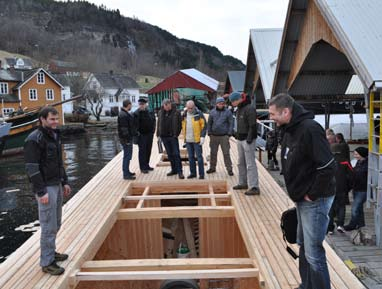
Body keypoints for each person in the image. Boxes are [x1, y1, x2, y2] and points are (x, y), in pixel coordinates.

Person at [269, 93, 336, 289]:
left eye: (273, 114)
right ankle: (306, 285)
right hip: (302, 197)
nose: (271, 118)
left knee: (314, 252)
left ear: (286, 111)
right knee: (304, 245)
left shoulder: (310, 129)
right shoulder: (289, 128)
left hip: (315, 199)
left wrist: (311, 195)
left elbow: (328, 167)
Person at [24, 106, 71, 275]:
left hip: (56, 183)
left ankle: (51, 252)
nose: (55, 122)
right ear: (42, 119)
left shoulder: (55, 135)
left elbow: (59, 162)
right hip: (45, 187)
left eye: (56, 119)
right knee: (48, 225)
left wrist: (64, 181)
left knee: (56, 223)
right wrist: (41, 191)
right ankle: (47, 262)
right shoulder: (34, 139)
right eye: (52, 119)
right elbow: (32, 169)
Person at [229, 91, 260, 196]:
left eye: (232, 101)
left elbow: (253, 125)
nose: (231, 104)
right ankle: (243, 182)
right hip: (240, 138)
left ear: (238, 99)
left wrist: (249, 139)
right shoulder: (239, 109)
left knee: (250, 164)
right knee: (240, 162)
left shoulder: (249, 108)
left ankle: (254, 186)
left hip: (248, 139)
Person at [157, 99, 184, 179]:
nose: (166, 108)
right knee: (170, 154)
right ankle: (174, 170)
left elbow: (180, 124)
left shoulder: (176, 112)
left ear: (170, 104)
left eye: (168, 106)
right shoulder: (160, 112)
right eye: (165, 106)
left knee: (176, 154)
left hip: (173, 137)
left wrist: (176, 134)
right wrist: (158, 134)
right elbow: (158, 124)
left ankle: (180, 172)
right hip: (164, 137)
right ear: (163, 105)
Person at [206, 96, 234, 176]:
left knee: (226, 153)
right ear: (216, 104)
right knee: (213, 153)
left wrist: (229, 133)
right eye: (219, 103)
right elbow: (209, 123)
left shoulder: (228, 112)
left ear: (224, 104)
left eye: (222, 103)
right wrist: (209, 133)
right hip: (214, 136)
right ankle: (212, 167)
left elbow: (231, 123)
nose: (221, 105)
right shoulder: (212, 112)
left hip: (224, 136)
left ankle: (229, 169)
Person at [344, 147, 368, 231]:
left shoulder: (368, 164)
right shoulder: (358, 162)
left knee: (355, 207)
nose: (354, 155)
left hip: (363, 189)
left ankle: (352, 224)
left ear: (362, 154)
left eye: (356, 154)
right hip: (356, 188)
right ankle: (361, 224)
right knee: (359, 207)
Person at [182, 100, 207, 179]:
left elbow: (204, 126)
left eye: (191, 108)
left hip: (197, 140)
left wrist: (202, 136)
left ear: (194, 106)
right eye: (188, 108)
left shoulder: (199, 114)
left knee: (199, 158)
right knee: (190, 158)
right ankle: (193, 173)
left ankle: (201, 174)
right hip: (188, 140)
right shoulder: (184, 114)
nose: (190, 110)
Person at [134, 98, 156, 173]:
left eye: (143, 104)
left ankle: (147, 165)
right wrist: (137, 134)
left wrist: (153, 130)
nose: (141, 106)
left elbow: (154, 121)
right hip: (141, 135)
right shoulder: (136, 113)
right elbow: (134, 126)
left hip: (149, 134)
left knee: (148, 150)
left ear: (146, 104)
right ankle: (142, 168)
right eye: (140, 104)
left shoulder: (150, 111)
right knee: (142, 152)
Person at [118, 99, 136, 180]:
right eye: (131, 105)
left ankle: (127, 171)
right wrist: (127, 139)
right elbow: (124, 129)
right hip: (126, 139)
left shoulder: (124, 113)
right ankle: (126, 174)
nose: (131, 106)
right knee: (127, 156)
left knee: (128, 156)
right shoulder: (123, 115)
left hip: (127, 138)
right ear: (128, 105)